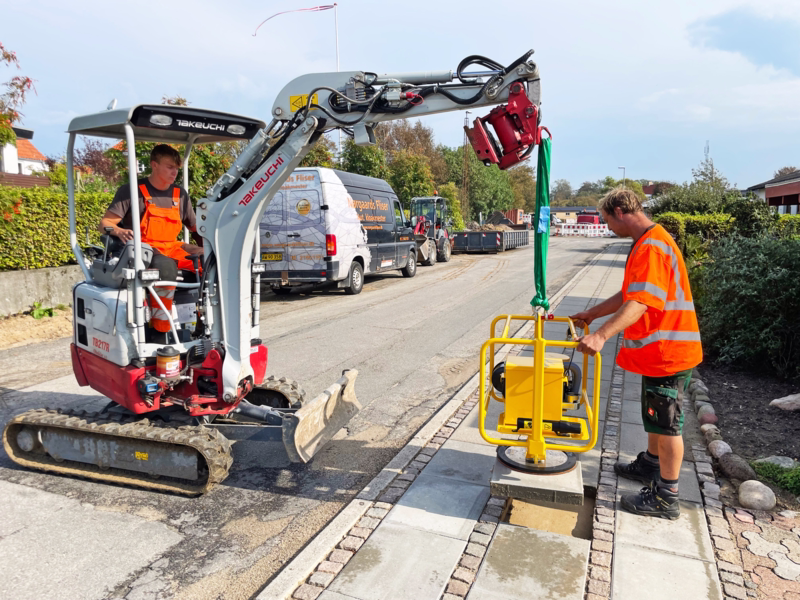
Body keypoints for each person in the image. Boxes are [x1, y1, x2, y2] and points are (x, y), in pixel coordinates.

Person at [570, 187, 702, 520]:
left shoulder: (652, 247)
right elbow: (631, 293)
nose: (608, 227)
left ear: (620, 212)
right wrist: (592, 313)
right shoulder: (648, 241)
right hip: (661, 352)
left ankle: (667, 497)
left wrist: (600, 336)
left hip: (669, 351)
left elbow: (640, 302)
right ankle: (651, 464)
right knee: (656, 416)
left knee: (668, 424)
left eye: (607, 220)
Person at [99, 144, 202, 335]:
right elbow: (105, 223)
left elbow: (195, 229)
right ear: (154, 165)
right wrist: (118, 231)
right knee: (166, 266)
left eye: (177, 168)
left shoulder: (180, 194)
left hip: (172, 246)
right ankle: (160, 331)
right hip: (144, 248)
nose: (175, 172)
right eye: (169, 167)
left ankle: (202, 322)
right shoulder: (131, 191)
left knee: (209, 260)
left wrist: (210, 249)